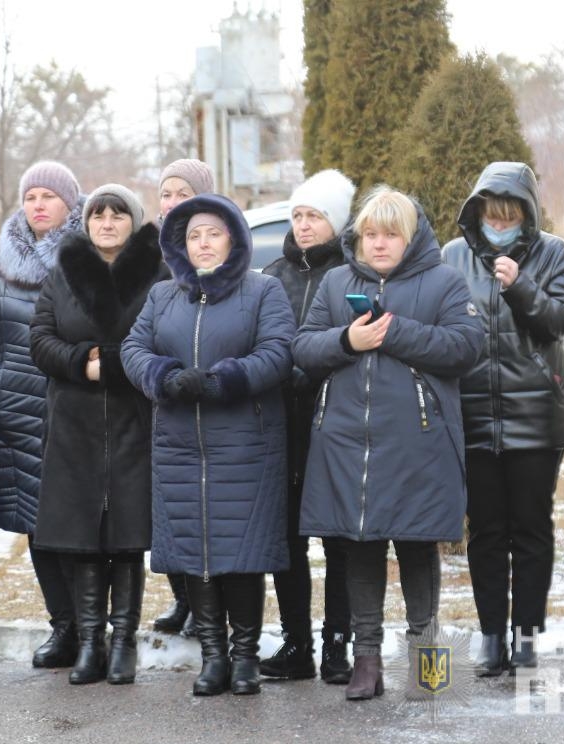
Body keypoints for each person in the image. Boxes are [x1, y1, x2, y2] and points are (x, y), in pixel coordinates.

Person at [294, 186, 481, 701]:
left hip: (418, 444)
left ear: (411, 237)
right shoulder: (335, 283)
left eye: (390, 235)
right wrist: (345, 341)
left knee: (418, 547)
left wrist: (391, 332)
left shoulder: (444, 281)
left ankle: (428, 662)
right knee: (361, 548)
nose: (379, 244)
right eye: (370, 234)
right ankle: (367, 661)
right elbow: (303, 348)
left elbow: (466, 347)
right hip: (347, 442)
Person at [121, 193, 293, 696]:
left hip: (244, 445)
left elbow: (278, 352)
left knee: (241, 555)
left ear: (234, 237)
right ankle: (213, 657)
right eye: (192, 235)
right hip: (180, 447)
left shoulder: (263, 290)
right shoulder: (162, 296)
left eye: (212, 232)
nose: (202, 243)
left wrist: (224, 381)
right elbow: (133, 348)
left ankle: (244, 657)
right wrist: (163, 375)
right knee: (195, 553)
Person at [440, 162, 564, 675]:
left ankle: (526, 636)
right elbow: (441, 325)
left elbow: (563, 320)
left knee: (531, 528)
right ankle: (491, 636)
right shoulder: (453, 257)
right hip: (473, 412)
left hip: (536, 415)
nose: (500, 226)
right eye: (490, 216)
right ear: (476, 214)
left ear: (527, 214)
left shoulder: (555, 253)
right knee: (486, 530)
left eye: (510, 216)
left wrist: (521, 286)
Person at [28, 184, 168, 685]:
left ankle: (124, 640)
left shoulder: (158, 274)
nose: (107, 222)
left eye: (118, 214)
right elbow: (40, 339)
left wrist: (106, 363)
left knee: (126, 538)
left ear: (133, 221)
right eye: (97, 214)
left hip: (135, 420)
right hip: (74, 423)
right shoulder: (63, 274)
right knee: (83, 538)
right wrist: (77, 363)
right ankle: (91, 642)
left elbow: (161, 339)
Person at [0, 160, 81, 669]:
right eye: (30, 196)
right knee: (37, 529)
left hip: (74, 414)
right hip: (17, 416)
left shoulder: (87, 262)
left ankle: (93, 629)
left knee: (79, 526)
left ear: (70, 205)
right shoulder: (1, 267)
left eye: (48, 197)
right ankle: (63, 628)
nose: (38, 205)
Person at [258, 169, 356, 683]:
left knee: (337, 538)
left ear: (336, 222)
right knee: (287, 538)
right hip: (282, 424)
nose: (303, 225)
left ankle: (337, 644)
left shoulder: (351, 272)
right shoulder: (273, 274)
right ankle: (296, 644)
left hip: (336, 420)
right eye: (297, 215)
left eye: (314, 215)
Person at [149, 157, 214, 637]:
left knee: (202, 509)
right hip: (156, 386)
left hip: (201, 394)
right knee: (167, 510)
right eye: (166, 194)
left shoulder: (214, 246)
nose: (172, 203)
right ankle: (181, 597)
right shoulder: (149, 252)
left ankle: (204, 604)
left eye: (182, 193)